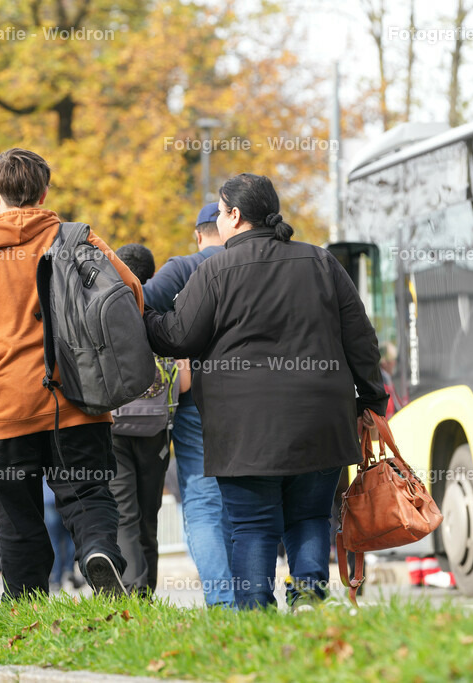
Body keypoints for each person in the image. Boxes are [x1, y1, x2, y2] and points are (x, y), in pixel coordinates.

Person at [144, 174, 389, 610]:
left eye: (220, 211)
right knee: (310, 516)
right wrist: (372, 401)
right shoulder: (320, 262)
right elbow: (361, 339)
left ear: (235, 216)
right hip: (322, 422)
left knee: (252, 525)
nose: (218, 219)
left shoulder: (215, 269)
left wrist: (140, 314)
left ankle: (255, 611)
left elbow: (176, 337)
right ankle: (309, 597)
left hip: (244, 429)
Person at [0, 148, 142, 599]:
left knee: (17, 512)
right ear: (45, 192)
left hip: (8, 409)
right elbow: (131, 295)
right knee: (87, 494)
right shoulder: (79, 239)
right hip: (78, 400)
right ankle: (99, 551)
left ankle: (25, 603)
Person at [141, 202, 234, 607]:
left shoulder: (181, 268)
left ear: (199, 234)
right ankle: (254, 601)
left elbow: (135, 307)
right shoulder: (251, 263)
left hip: (196, 401)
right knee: (247, 498)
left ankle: (224, 602)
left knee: (202, 501)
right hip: (252, 402)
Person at [109, 243, 188, 596]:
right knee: (148, 514)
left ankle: (133, 591)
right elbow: (184, 382)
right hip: (155, 430)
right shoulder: (166, 314)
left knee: (124, 511)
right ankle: (145, 590)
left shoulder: (106, 309)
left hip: (112, 426)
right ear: (153, 277)